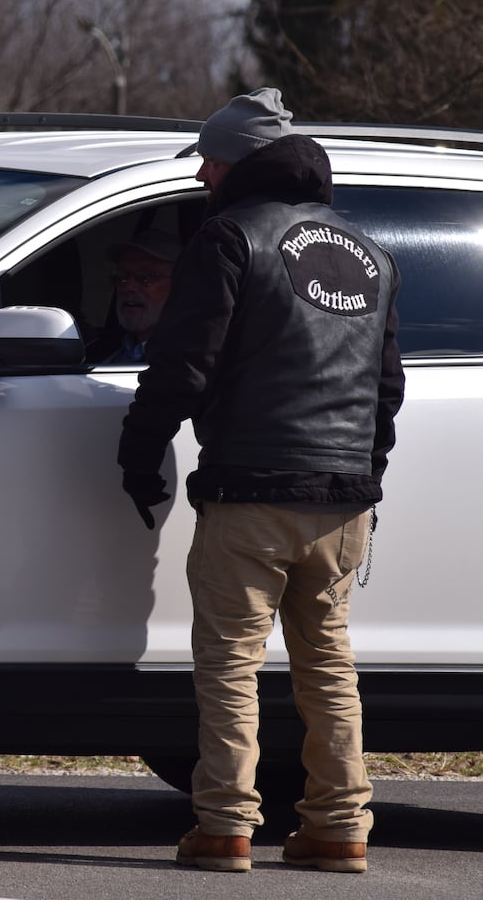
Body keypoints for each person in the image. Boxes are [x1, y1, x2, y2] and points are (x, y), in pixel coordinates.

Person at [116, 88, 404, 874]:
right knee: (328, 666)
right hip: (342, 499)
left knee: (230, 664)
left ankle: (224, 828)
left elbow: (182, 365)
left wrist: (140, 451)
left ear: (238, 161)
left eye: (211, 159)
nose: (204, 174)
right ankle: (342, 828)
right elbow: (385, 391)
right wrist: (364, 477)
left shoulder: (229, 239)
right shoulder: (370, 254)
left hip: (249, 490)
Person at [87, 226, 182, 364]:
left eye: (145, 277)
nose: (128, 287)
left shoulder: (186, 361)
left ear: (180, 285)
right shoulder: (101, 348)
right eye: (122, 277)